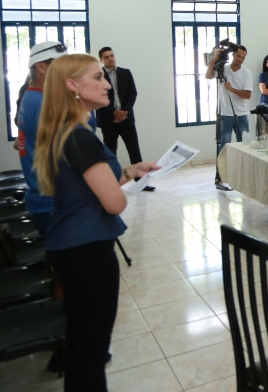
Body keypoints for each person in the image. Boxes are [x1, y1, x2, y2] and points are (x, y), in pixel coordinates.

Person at [34, 54, 158, 392]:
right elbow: (114, 203)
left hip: (70, 247)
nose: (106, 85)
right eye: (97, 77)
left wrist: (131, 171)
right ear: (72, 85)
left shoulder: (66, 131)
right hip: (87, 252)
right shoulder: (80, 137)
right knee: (91, 351)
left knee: (79, 344)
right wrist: (121, 187)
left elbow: (91, 183)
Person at [16, 41, 67, 238]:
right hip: (51, 201)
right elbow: (73, 148)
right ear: (42, 67)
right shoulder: (42, 103)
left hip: (45, 197)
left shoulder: (33, 96)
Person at [96, 47, 154, 191]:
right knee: (110, 153)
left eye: (112, 55)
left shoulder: (125, 73)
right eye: (106, 57)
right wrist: (114, 112)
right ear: (101, 60)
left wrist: (123, 112)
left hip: (126, 119)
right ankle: (111, 184)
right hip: (108, 121)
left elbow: (132, 94)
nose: (110, 58)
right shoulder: (97, 76)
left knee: (134, 151)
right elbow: (97, 99)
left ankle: (141, 182)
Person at [205, 45, 252, 162]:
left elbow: (247, 95)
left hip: (241, 115)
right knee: (224, 146)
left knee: (245, 145)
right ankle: (222, 170)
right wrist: (214, 58)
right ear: (233, 55)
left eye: (243, 57)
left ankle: (243, 168)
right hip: (225, 114)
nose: (240, 59)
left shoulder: (246, 73)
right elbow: (208, 75)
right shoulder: (223, 69)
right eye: (238, 56)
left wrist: (232, 89)